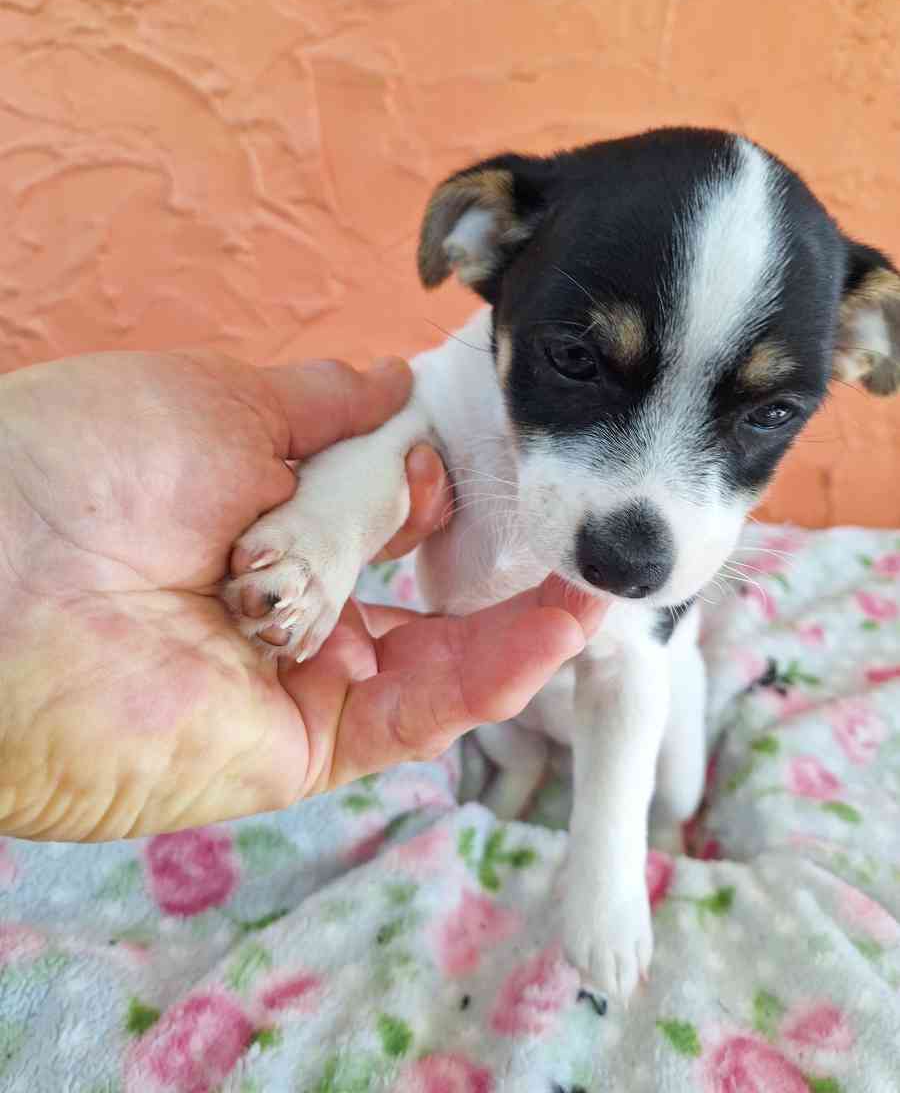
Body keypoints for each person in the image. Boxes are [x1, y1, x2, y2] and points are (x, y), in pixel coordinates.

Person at [0, 350, 605, 843]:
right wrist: (327, 531)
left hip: (566, 689)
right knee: (498, 721)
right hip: (484, 679)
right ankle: (518, 773)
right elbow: (403, 434)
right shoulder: (459, 379)